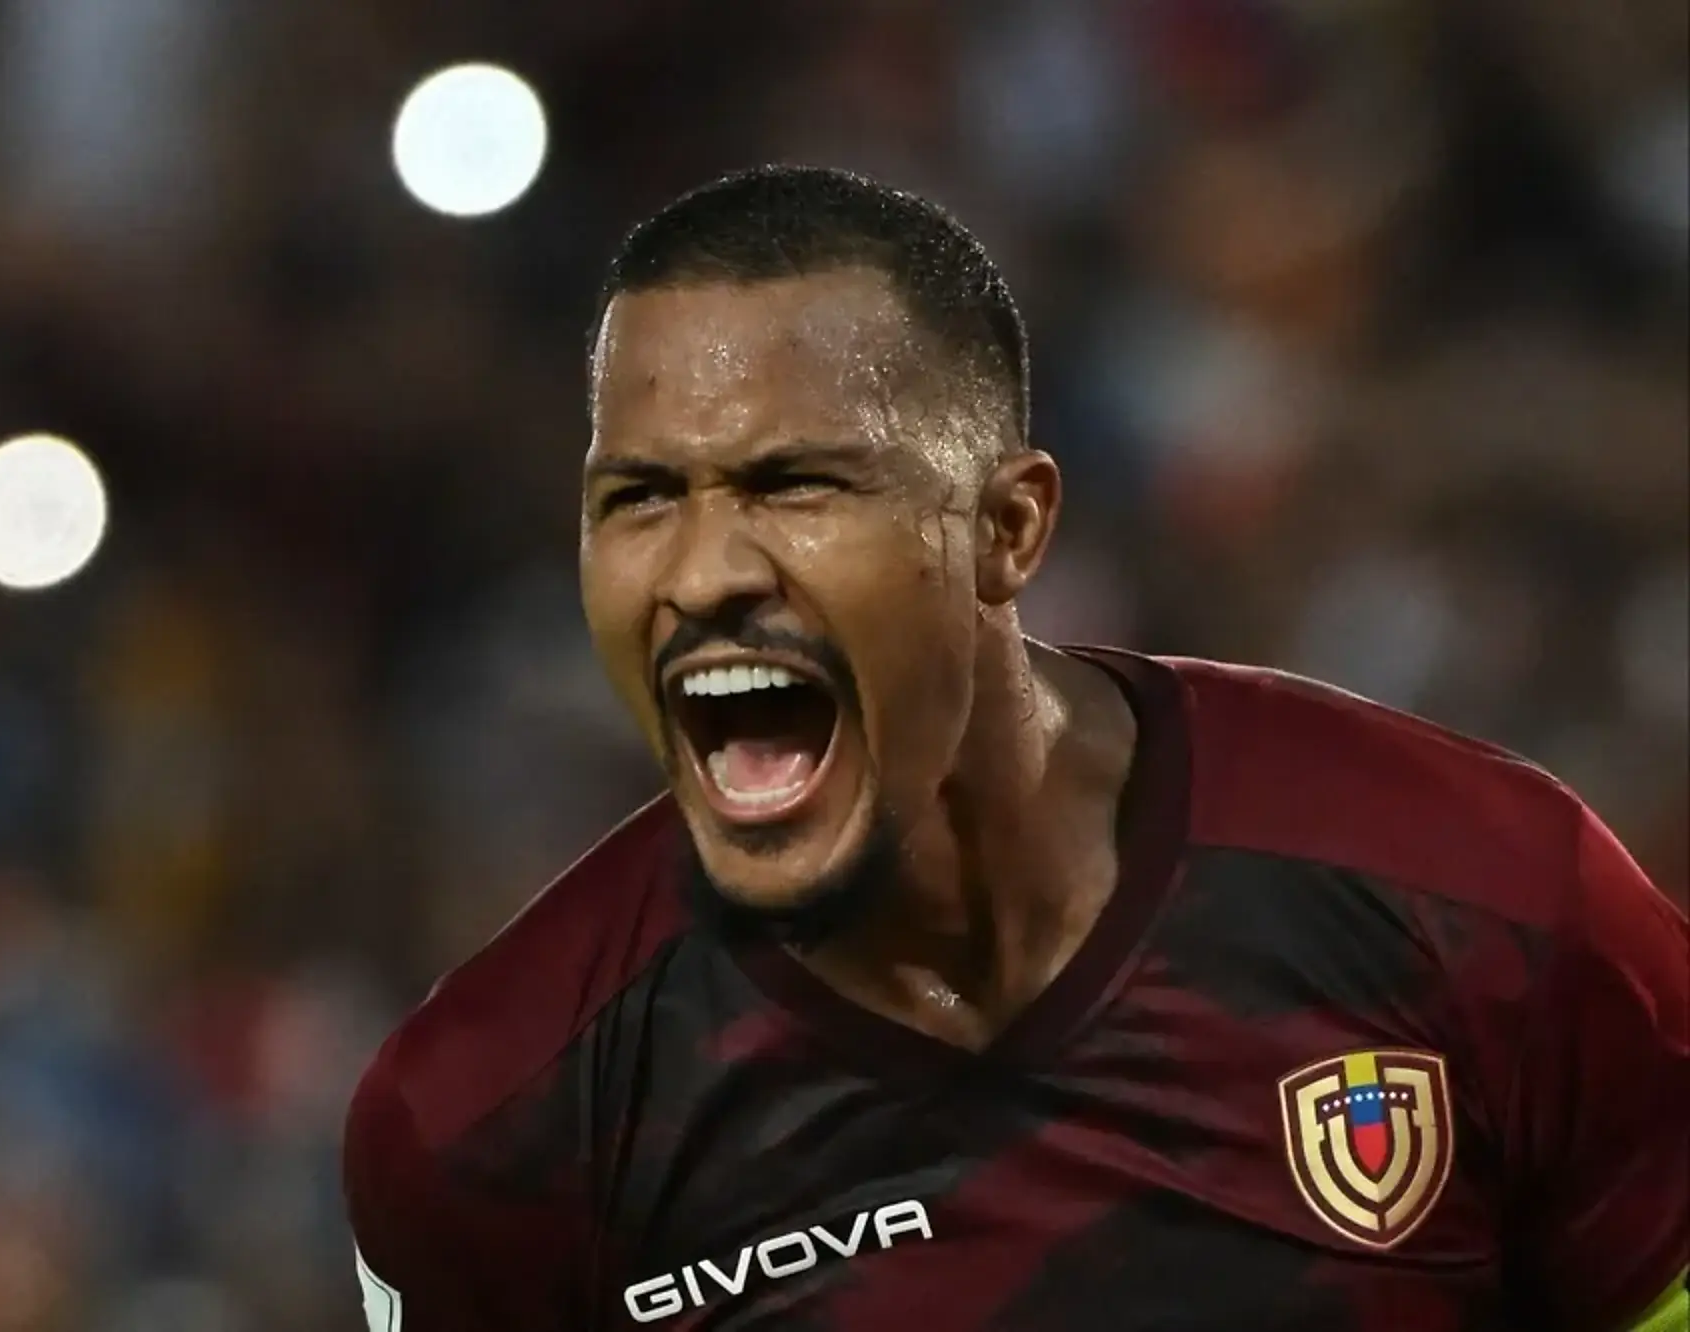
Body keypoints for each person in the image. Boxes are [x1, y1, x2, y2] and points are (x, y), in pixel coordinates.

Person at [342, 165, 1689, 1331]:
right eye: (639, 499)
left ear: (1008, 530)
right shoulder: (494, 1131)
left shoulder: (1481, 899)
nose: (701, 574)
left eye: (795, 485)